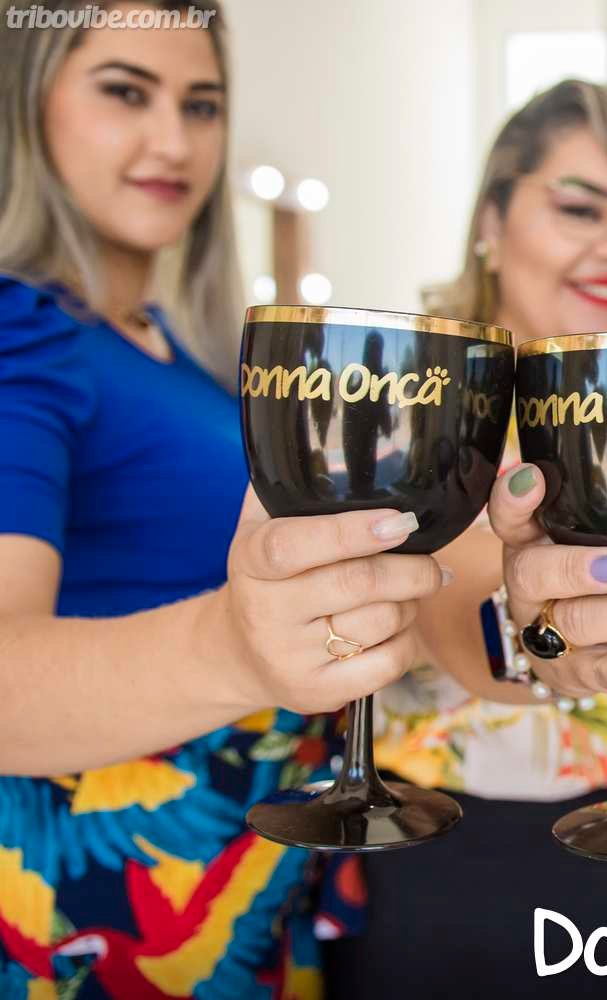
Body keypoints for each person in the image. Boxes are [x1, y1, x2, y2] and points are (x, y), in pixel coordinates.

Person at [0, 2, 451, 994]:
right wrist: (241, 649)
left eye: (201, 105)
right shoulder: (19, 327)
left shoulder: (179, 347)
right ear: (26, 101)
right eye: (126, 92)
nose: (175, 141)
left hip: (247, 878)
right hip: (116, 897)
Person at [322, 80, 607, 999]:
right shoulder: (428, 402)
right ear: (492, 218)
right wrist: (536, 639)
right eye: (580, 208)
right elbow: (467, 608)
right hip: (478, 864)